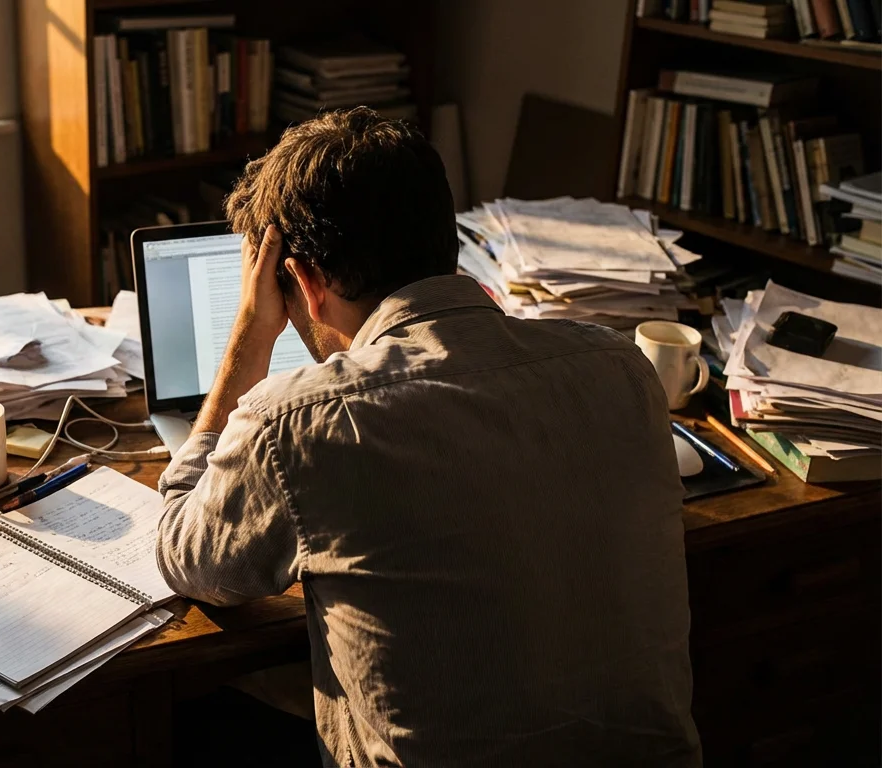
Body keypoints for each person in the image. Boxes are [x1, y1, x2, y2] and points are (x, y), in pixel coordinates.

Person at [154, 108, 701, 767]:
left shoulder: (297, 423)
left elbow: (186, 556)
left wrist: (249, 343)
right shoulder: (622, 369)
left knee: (192, 718)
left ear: (303, 281)